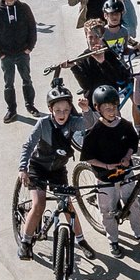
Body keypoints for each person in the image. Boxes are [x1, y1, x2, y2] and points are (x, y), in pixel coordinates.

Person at [15, 83, 94, 260]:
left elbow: (89, 124)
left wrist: (86, 109)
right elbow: (28, 146)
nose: (62, 114)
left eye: (66, 110)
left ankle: (81, 240)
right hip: (38, 168)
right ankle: (26, 242)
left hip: (58, 169)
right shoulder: (43, 124)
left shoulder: (72, 122)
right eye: (58, 110)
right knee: (38, 205)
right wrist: (23, 168)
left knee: (67, 205)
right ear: (50, 109)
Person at [79, 84, 140, 256]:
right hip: (105, 177)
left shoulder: (124, 125)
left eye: (114, 107)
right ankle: (113, 240)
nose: (112, 111)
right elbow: (88, 157)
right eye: (106, 108)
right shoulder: (94, 130)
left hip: (126, 173)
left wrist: (127, 157)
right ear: (98, 109)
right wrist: (106, 166)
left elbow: (132, 143)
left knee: (133, 204)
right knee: (108, 210)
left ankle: (138, 233)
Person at [0, 0, 40, 123]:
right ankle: (11, 110)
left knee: (27, 80)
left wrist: (30, 47)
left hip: (22, 53)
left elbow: (32, 28)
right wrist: (0, 54)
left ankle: (30, 105)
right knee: (8, 84)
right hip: (7, 55)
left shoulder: (24, 8)